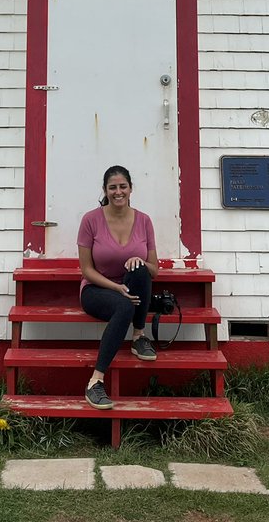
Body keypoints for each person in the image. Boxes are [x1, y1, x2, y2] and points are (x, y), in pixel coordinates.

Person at [77, 164, 158, 410]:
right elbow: (86, 270)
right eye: (113, 187)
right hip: (96, 289)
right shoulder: (91, 220)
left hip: (131, 287)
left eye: (123, 186)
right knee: (123, 305)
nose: (118, 192)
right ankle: (95, 381)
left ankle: (138, 336)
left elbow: (154, 269)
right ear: (105, 190)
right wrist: (115, 287)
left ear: (131, 189)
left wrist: (141, 261)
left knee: (141, 270)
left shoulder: (144, 221)